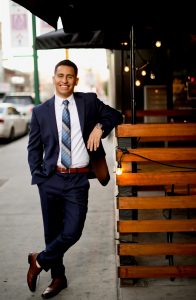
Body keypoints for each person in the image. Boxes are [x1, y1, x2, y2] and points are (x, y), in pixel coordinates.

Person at [27, 59, 123, 299]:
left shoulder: (88, 102)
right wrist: (39, 176)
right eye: (60, 75)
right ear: (54, 78)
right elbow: (33, 148)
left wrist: (100, 126)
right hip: (51, 179)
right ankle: (58, 277)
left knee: (73, 231)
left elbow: (115, 114)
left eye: (69, 76)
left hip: (78, 180)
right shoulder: (40, 112)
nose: (64, 80)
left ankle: (38, 261)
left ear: (76, 80)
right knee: (52, 232)